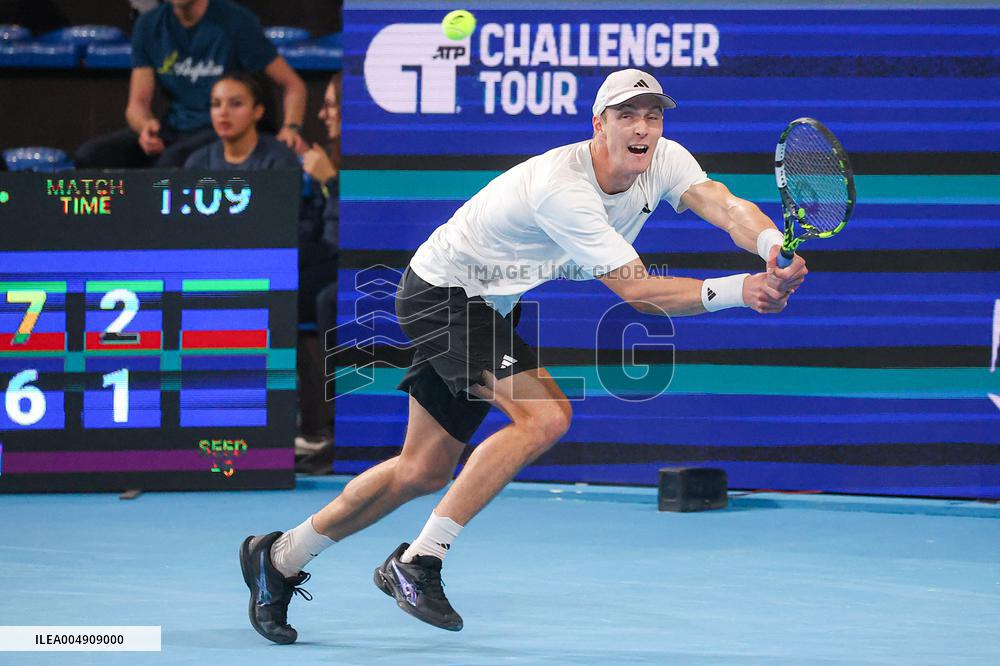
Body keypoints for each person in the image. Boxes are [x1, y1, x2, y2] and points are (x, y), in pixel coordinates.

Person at [239, 68, 809, 643]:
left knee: (421, 470)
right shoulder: (564, 190)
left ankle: (280, 557)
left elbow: (724, 204)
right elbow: (636, 290)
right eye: (627, 116)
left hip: (489, 304)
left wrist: (769, 245)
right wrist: (743, 291)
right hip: (443, 295)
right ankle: (420, 561)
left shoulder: (662, 158)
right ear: (598, 125)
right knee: (545, 416)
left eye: (653, 115)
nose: (643, 128)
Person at [75, 0, 307, 168]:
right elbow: (137, 105)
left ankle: (159, 235)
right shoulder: (148, 26)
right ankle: (102, 233)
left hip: (220, 129)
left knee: (169, 164)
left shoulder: (236, 22)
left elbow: (293, 86)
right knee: (90, 156)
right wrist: (145, 127)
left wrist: (291, 127)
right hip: (174, 128)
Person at [293, 71, 341, 472]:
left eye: (331, 104)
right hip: (322, 256)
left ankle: (327, 427)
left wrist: (331, 183)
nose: (324, 113)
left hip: (349, 263)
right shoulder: (327, 151)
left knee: (328, 299)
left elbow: (349, 237)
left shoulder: (348, 162)